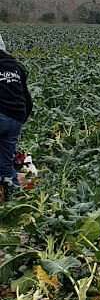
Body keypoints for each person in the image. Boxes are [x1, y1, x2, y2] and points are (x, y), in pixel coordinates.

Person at [0, 34, 33, 202]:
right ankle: (15, 199)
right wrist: (19, 121)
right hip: (16, 118)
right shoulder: (16, 67)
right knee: (5, 164)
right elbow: (27, 99)